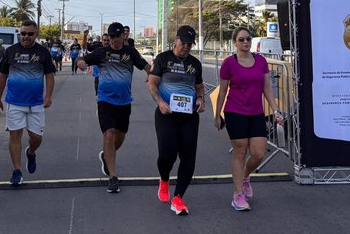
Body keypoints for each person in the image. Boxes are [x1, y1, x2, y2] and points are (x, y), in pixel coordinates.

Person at [214, 26, 284, 211]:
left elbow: (267, 89)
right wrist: (217, 115)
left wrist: (276, 111)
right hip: (235, 112)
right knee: (240, 152)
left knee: (259, 153)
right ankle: (238, 195)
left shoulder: (261, 61)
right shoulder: (229, 63)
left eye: (248, 39)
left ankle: (245, 176)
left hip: (256, 113)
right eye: (242, 39)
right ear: (234, 42)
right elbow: (222, 91)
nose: (246, 42)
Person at [77, 22, 152, 193]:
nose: (115, 40)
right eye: (112, 37)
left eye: (118, 37)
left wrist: (152, 76)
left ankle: (106, 155)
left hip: (124, 102)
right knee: (108, 134)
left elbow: (146, 66)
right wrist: (81, 62)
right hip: (105, 100)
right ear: (109, 37)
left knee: (119, 137)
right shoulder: (102, 52)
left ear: (123, 36)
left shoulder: (130, 53)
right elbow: (84, 59)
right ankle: (113, 177)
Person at [147, 26, 204, 215]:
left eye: (189, 44)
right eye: (183, 43)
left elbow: (200, 87)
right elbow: (152, 84)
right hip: (166, 114)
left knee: (188, 156)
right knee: (167, 155)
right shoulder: (163, 59)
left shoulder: (195, 63)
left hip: (189, 116)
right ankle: (164, 179)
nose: (186, 47)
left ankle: (178, 197)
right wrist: (160, 102)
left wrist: (201, 100)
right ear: (176, 40)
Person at [0, 20, 56, 186]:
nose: (26, 37)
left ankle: (31, 152)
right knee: (15, 136)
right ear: (19, 34)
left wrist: (48, 96)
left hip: (36, 103)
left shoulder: (43, 53)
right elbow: (3, 76)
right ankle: (17, 171)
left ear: (36, 34)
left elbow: (49, 75)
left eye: (30, 34)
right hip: (14, 102)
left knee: (36, 137)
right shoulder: (11, 51)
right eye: (23, 33)